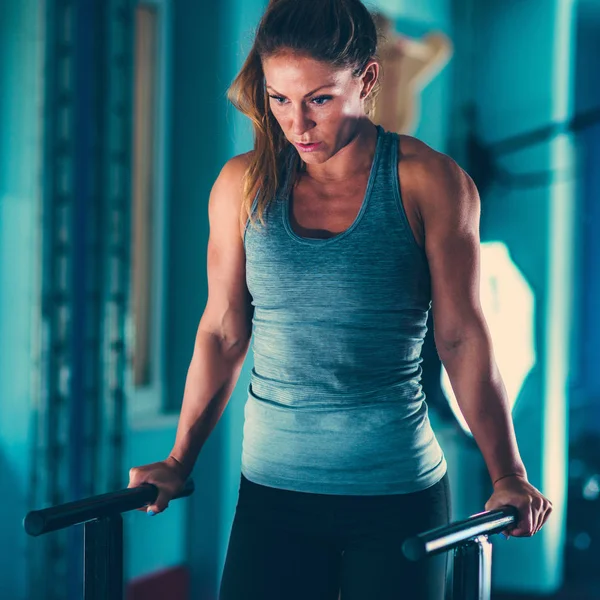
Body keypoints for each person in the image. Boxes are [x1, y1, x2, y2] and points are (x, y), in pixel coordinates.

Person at [127, 0, 553, 598]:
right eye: (279, 100)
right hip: (272, 497)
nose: (297, 125)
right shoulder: (241, 186)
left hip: (397, 497)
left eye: (319, 99)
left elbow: (461, 337)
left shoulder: (430, 181)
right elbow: (223, 331)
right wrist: (178, 460)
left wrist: (508, 472)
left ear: (369, 79)